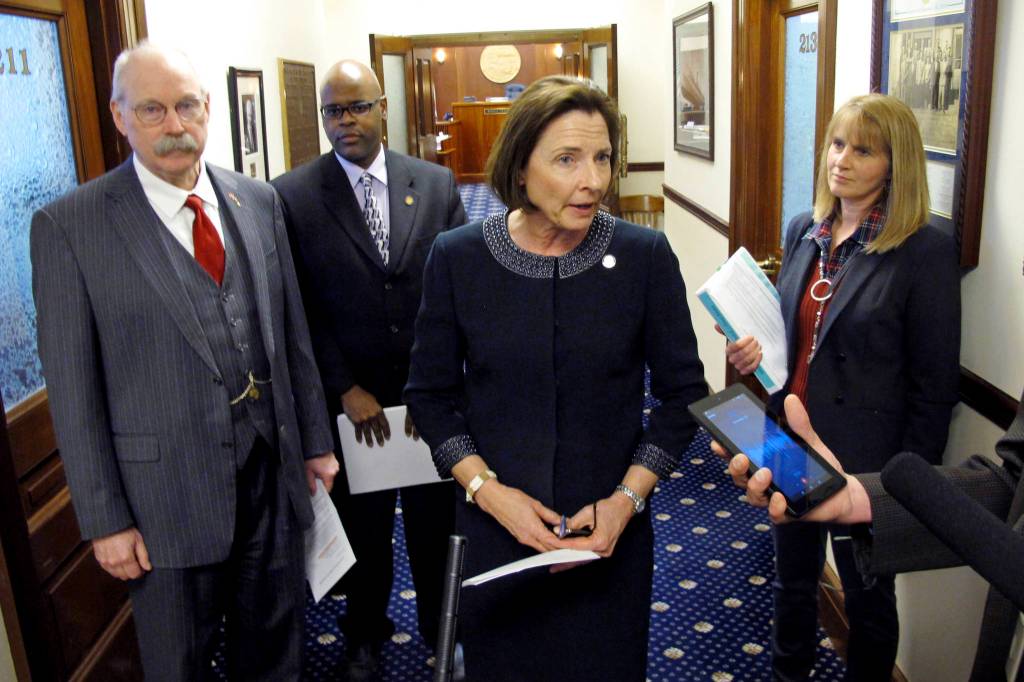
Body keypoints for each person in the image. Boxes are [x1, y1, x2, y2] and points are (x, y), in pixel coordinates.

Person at [30, 43, 339, 681]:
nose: (175, 125)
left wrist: (314, 441)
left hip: (271, 479)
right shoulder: (70, 227)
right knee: (179, 665)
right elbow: (73, 389)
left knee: (276, 649)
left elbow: (291, 335)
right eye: (152, 110)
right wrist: (105, 520)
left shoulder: (256, 201)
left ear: (206, 111)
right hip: (162, 503)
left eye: (187, 106)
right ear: (120, 118)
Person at [404, 75, 708, 681]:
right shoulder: (458, 257)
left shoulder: (645, 256)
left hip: (608, 535)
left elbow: (683, 398)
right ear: (520, 166)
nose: (592, 179)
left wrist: (626, 501)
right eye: (566, 159)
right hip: (497, 532)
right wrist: (489, 494)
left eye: (601, 158)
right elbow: (430, 396)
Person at [722, 93, 960, 680]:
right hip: (791, 440)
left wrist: (909, 484)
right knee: (793, 584)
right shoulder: (806, 228)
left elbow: (935, 382)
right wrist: (752, 355)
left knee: (868, 601)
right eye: (836, 143)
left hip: (869, 465)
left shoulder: (923, 249)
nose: (842, 160)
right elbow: (792, 339)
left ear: (895, 163)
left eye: (863, 149)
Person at [272, 59, 465, 681]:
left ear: (383, 108)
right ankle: (364, 636)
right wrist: (343, 386)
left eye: (356, 107)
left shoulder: (434, 184)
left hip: (429, 400)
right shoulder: (293, 195)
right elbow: (296, 306)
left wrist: (435, 384)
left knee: (437, 528)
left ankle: (445, 630)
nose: (344, 120)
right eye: (332, 110)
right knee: (364, 533)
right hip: (352, 408)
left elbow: (459, 290)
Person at [718, 390, 1024, 682]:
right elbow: (1013, 493)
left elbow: (933, 392)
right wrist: (859, 498)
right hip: (1009, 648)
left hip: (873, 447)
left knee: (870, 610)